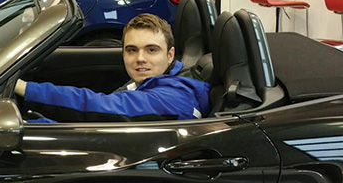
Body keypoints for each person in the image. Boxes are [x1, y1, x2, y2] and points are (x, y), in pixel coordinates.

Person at [14, 13, 210, 122]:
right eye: (132, 50)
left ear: (169, 55)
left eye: (151, 50)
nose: (140, 59)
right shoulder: (154, 82)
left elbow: (99, 105)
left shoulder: (171, 98)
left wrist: (25, 88)